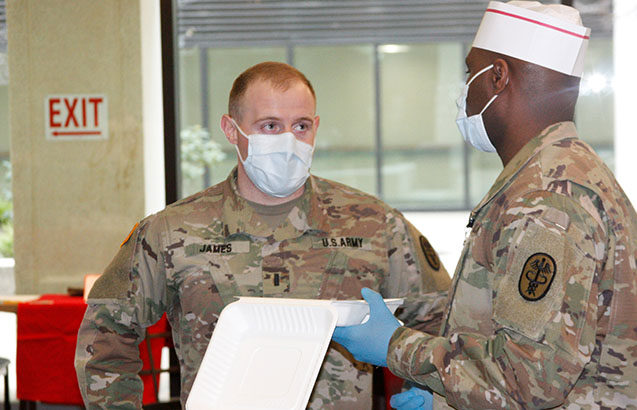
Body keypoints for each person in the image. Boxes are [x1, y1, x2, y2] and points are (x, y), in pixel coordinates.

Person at [75, 61, 451, 409]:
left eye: (300, 126)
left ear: (315, 127)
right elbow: (106, 333)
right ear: (231, 130)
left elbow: (441, 318)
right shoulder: (172, 230)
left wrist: (426, 388)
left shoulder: (374, 224)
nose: (288, 139)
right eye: (270, 126)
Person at [333, 1, 637, 409]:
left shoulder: (549, 198)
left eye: (471, 73)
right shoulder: (560, 173)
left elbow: (528, 379)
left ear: (498, 76)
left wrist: (395, 346)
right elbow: (508, 320)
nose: (465, 90)